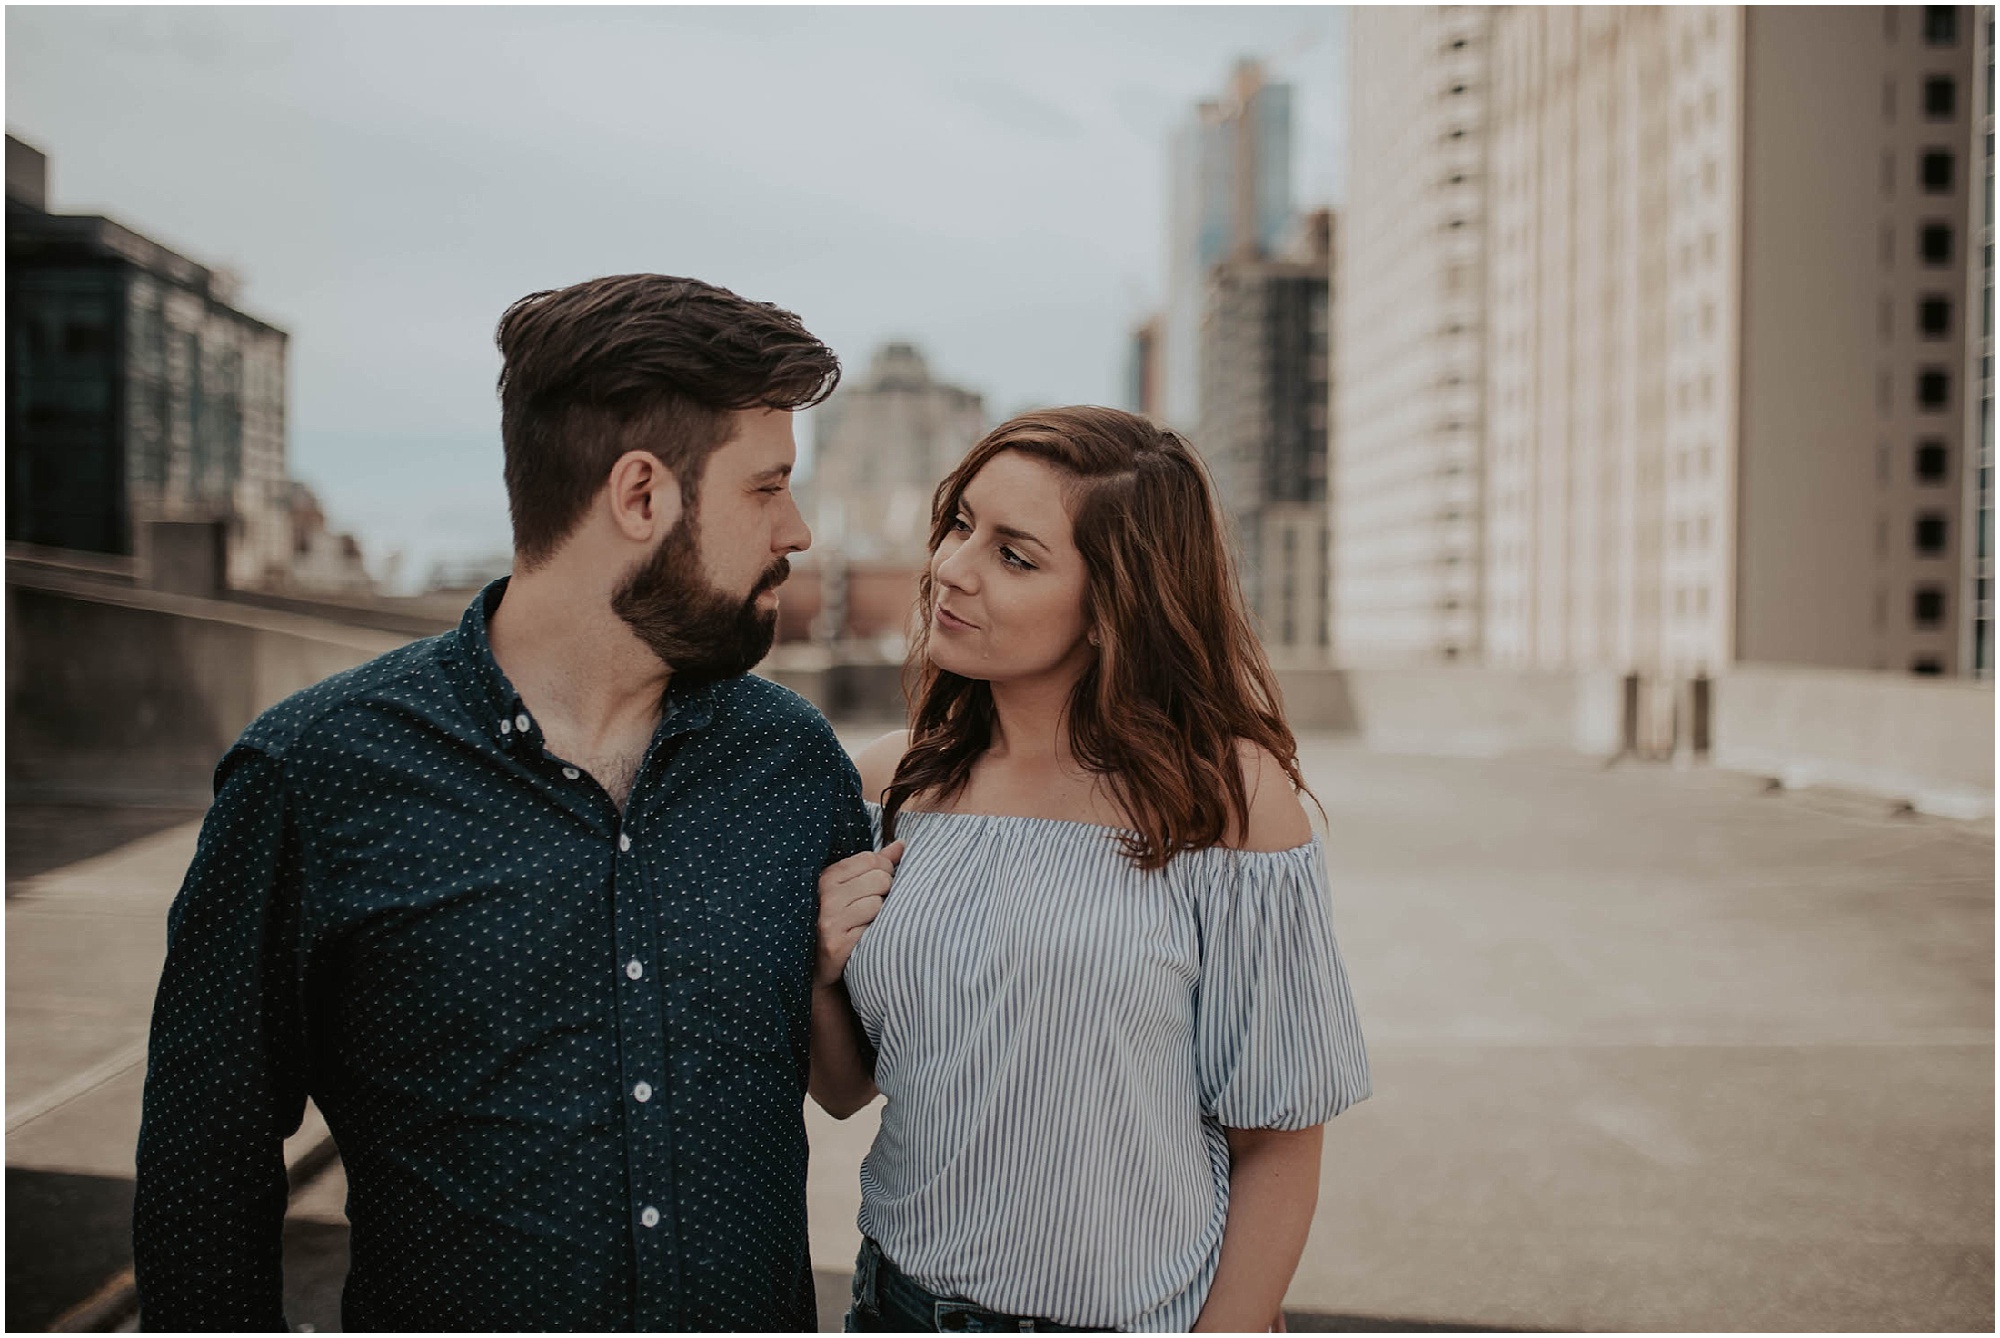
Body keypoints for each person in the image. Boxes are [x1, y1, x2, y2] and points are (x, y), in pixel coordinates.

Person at [132, 274, 873, 1331]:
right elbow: (204, 1180)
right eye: (766, 488)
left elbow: (854, 1071)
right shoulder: (316, 774)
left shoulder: (789, 763)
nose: (795, 531)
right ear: (640, 496)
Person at [810, 406, 1371, 1333]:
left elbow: (1278, 1131)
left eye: (1015, 556)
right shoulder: (889, 784)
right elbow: (844, 1090)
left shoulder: (1223, 800)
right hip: (900, 1307)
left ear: (1116, 607)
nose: (953, 567)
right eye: (961, 525)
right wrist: (822, 969)